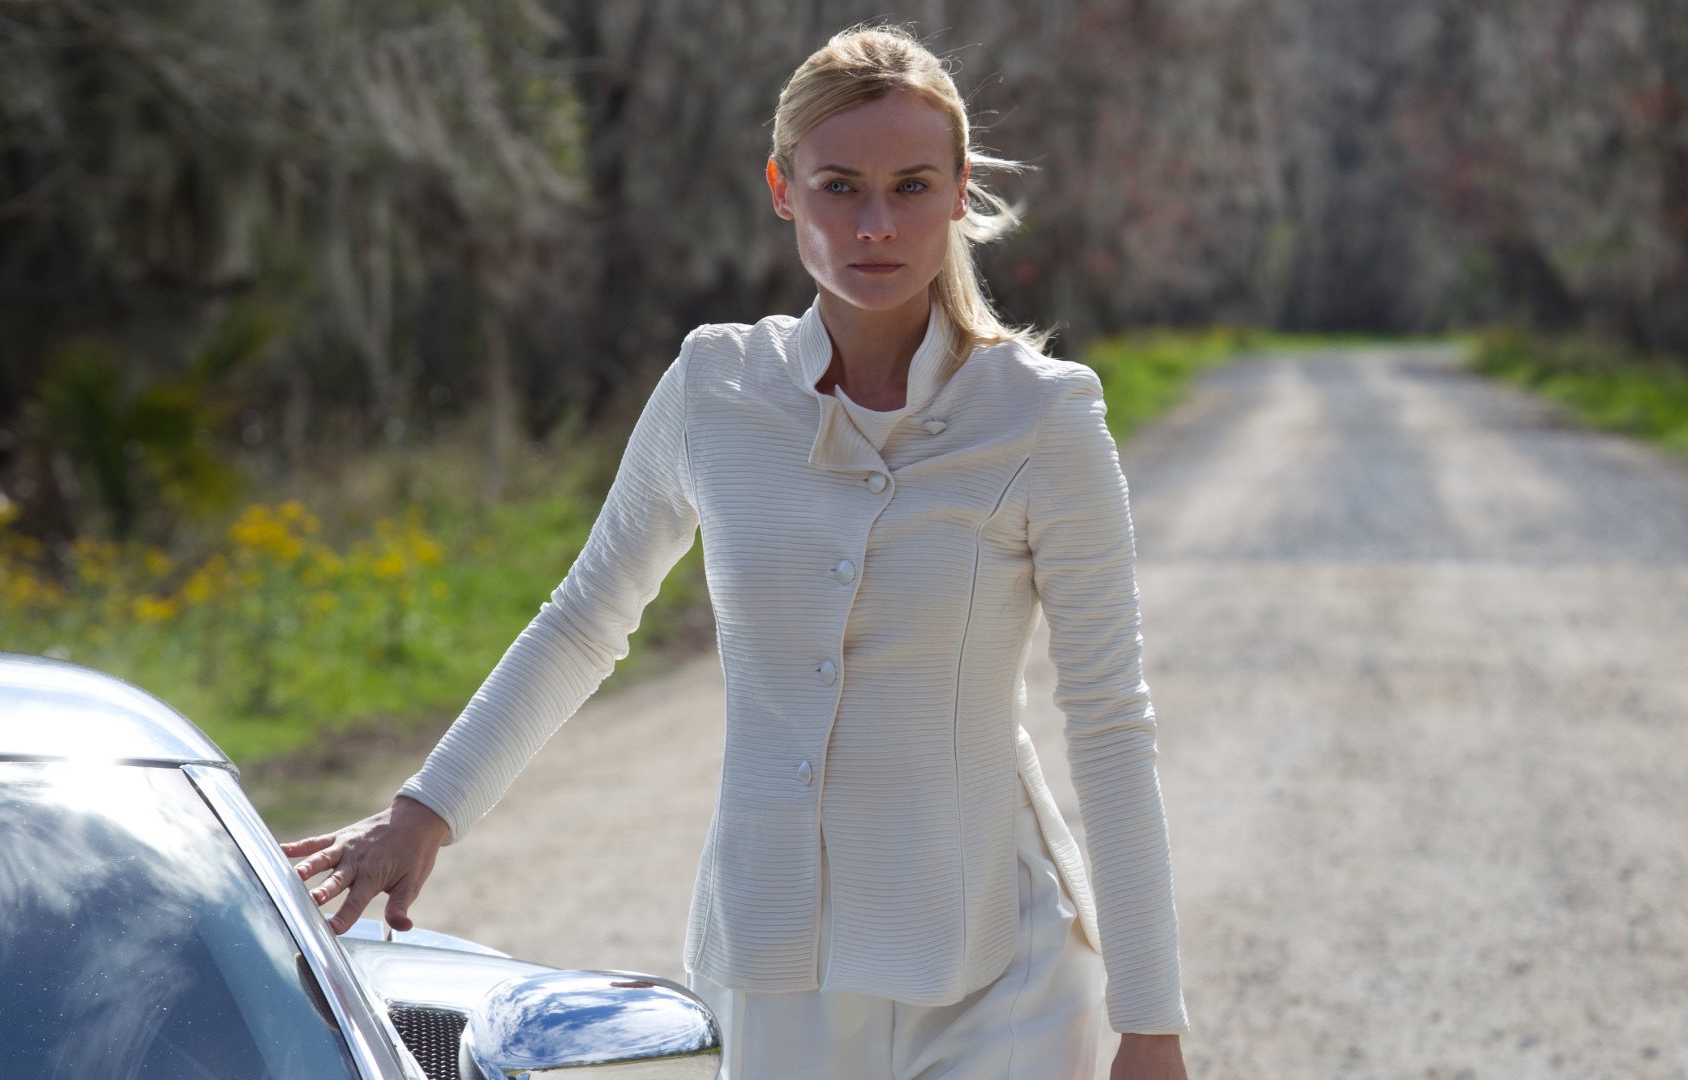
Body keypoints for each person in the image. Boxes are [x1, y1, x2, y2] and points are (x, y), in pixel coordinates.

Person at [282, 23, 1192, 1080]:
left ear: (959, 192)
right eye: (840, 186)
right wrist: (424, 810)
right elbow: (586, 617)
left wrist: (1151, 1017)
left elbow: (1110, 720)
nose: (875, 224)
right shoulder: (715, 391)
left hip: (999, 970)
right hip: (776, 970)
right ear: (782, 187)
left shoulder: (1044, 419)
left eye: (910, 186)